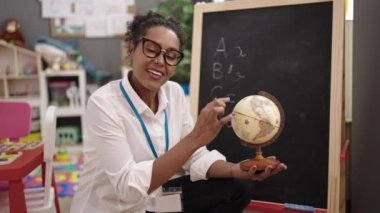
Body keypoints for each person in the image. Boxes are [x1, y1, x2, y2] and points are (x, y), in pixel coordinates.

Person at [70, 11, 287, 213]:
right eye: (152, 49)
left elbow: (194, 156)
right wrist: (194, 138)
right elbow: (127, 189)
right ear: (131, 48)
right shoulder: (103, 104)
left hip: (153, 201)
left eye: (171, 55)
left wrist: (236, 170)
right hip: (112, 207)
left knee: (239, 187)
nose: (160, 61)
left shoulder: (173, 93)